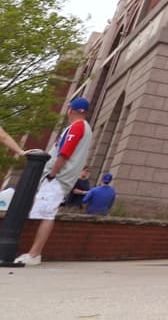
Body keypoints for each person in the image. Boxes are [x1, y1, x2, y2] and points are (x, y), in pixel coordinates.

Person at [16, 96, 95, 267]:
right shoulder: (83, 128)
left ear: (72, 109)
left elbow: (65, 152)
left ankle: (34, 253)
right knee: (45, 212)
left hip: (58, 177)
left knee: (46, 214)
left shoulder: (78, 126)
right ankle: (33, 252)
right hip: (61, 177)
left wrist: (52, 173)